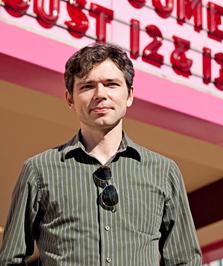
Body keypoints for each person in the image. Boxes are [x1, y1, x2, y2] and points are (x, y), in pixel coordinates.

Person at [0, 43, 202, 265]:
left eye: (111, 84)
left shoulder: (164, 172)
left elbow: (185, 260)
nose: (100, 95)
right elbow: (11, 259)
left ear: (129, 95)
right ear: (69, 99)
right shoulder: (38, 170)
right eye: (87, 86)